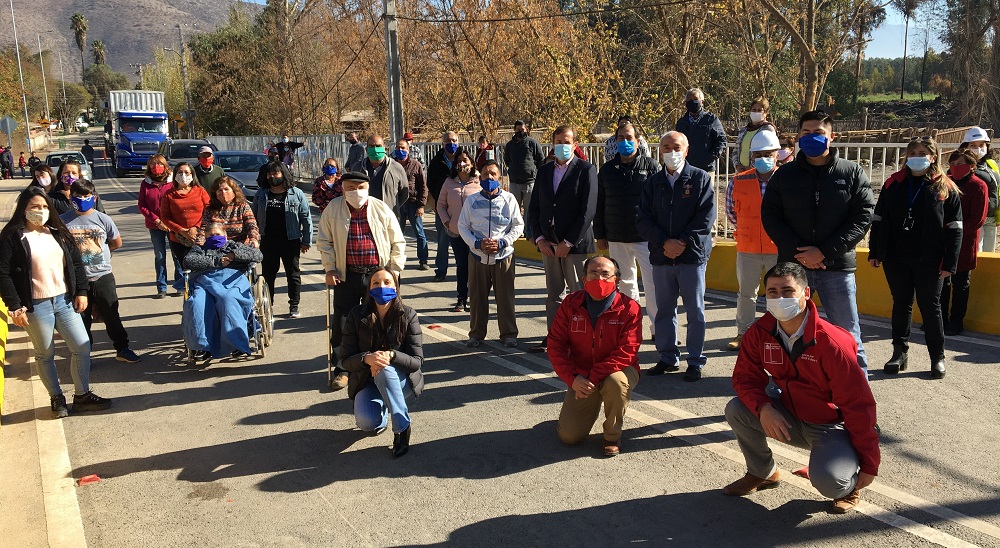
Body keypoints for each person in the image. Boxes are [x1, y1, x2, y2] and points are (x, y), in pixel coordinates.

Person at [723, 262, 878, 514]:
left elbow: (857, 404)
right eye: (772, 292)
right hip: (790, 417)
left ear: (806, 293)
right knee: (737, 409)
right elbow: (745, 378)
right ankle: (763, 473)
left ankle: (849, 482)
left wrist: (870, 464)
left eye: (787, 291)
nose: (779, 298)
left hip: (829, 426)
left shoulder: (832, 342)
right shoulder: (759, 332)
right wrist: (764, 408)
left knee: (832, 483)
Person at [761, 109, 875, 376]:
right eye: (806, 132)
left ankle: (858, 392)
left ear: (831, 136)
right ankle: (785, 386)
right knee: (787, 331)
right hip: (793, 269)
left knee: (847, 334)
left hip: (836, 268)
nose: (812, 137)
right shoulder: (784, 175)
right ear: (799, 136)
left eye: (819, 133)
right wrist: (799, 252)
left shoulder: (852, 172)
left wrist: (824, 251)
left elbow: (863, 217)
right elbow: (771, 216)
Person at [0, 187, 111, 418]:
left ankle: (82, 395)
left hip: (64, 301)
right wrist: (15, 306)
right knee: (45, 353)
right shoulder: (12, 236)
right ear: (24, 209)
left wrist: (81, 291)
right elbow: (3, 274)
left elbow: (76, 264)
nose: (40, 211)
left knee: (82, 346)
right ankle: (56, 398)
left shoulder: (57, 232)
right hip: (35, 306)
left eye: (44, 207)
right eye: (34, 207)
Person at [869, 137, 962, 379]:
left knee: (931, 307)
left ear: (933, 157)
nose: (917, 157)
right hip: (897, 257)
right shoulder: (893, 183)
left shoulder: (945, 187)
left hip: (930, 259)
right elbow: (878, 218)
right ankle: (899, 353)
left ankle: (937, 357)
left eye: (922, 153)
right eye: (913, 153)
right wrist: (875, 251)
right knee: (901, 303)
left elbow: (955, 229)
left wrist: (950, 263)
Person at [637, 131, 716, 381]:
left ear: (686, 150)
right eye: (666, 147)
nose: (672, 152)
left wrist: (682, 242)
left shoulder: (701, 178)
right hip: (662, 257)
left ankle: (695, 360)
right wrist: (664, 242)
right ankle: (668, 357)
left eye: (677, 147)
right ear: (660, 151)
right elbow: (643, 219)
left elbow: (706, 217)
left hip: (691, 256)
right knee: (664, 309)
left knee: (695, 311)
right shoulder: (652, 183)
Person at [318, 171, 406, 391]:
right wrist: (330, 268)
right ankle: (342, 369)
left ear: (367, 188)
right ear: (342, 189)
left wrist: (394, 271)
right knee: (342, 323)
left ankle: (384, 363)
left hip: (377, 275)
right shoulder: (333, 209)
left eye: (360, 188)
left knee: (383, 319)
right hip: (346, 274)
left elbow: (397, 241)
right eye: (350, 188)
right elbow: (325, 242)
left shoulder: (380, 208)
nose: (356, 192)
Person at [548, 255, 642, 457]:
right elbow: (555, 344)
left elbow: (628, 350)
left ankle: (612, 436)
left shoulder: (629, 308)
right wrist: (572, 379)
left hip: (618, 370)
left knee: (615, 383)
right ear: (584, 279)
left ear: (616, 279)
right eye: (593, 273)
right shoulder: (570, 304)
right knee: (569, 437)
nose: (599, 278)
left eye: (606, 274)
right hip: (581, 375)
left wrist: (593, 377)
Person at [528, 125, 598, 352]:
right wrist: (539, 238)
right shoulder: (544, 171)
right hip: (548, 244)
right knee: (554, 294)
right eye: (558, 142)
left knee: (578, 294)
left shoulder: (586, 170)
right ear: (552, 144)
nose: (562, 146)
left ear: (575, 145)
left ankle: (581, 339)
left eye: (567, 142)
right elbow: (534, 208)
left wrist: (568, 242)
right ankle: (555, 337)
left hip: (574, 246)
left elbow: (588, 210)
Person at [340, 268, 423, 457]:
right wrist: (367, 359)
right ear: (369, 288)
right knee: (367, 423)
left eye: (387, 282)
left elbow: (416, 361)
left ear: (395, 287)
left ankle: (402, 428)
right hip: (367, 382)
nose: (381, 286)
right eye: (376, 283)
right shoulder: (356, 315)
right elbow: (345, 360)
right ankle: (384, 408)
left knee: (385, 369)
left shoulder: (408, 314)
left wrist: (391, 356)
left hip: (401, 381)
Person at [60, 179, 141, 363]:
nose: (82, 199)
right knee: (82, 318)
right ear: (71, 197)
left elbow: (116, 242)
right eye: (78, 196)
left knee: (111, 315)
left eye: (86, 196)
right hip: (76, 279)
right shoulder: (63, 220)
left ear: (94, 198)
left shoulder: (103, 219)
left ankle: (122, 348)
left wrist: (103, 255)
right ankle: (84, 354)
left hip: (102, 276)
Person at [595, 122, 660, 340]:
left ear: (638, 141)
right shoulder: (607, 170)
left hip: (645, 238)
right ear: (615, 142)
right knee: (625, 286)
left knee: (653, 285)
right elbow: (600, 203)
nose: (625, 142)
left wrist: (658, 233)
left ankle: (658, 330)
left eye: (629, 137)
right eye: (621, 138)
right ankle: (631, 330)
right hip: (616, 237)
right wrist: (600, 234)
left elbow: (659, 202)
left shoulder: (651, 167)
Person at [724, 129, 782, 351]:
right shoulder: (739, 180)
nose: (763, 158)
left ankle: (777, 335)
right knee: (746, 294)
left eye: (768, 154)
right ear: (752, 156)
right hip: (748, 248)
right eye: (758, 155)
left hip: (778, 247)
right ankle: (744, 334)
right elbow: (731, 211)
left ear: (776, 155)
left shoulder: (786, 179)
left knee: (779, 295)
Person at [458, 160, 524, 347]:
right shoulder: (471, 201)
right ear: (480, 177)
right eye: (485, 174)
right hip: (478, 256)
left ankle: (509, 334)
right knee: (477, 297)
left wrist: (503, 242)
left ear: (500, 178)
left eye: (493, 174)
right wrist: (476, 243)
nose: (489, 177)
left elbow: (518, 225)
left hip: (503, 256)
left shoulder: (509, 199)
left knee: (505, 297)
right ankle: (476, 334)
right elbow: (463, 226)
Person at [182, 223, 264, 358]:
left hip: (232, 280)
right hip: (206, 282)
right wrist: (216, 262)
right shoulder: (200, 249)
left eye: (218, 234)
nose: (214, 237)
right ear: (205, 237)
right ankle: (201, 346)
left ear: (225, 235)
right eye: (210, 235)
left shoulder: (234, 246)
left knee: (228, 299)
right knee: (197, 303)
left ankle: (236, 343)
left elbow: (257, 255)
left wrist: (233, 255)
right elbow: (188, 261)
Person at [251, 161, 312, 318]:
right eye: (269, 174)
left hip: (290, 240)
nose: (272, 177)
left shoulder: (296, 193)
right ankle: (268, 306)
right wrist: (253, 238)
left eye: (275, 173)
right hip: (268, 241)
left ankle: (294, 305)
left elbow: (306, 218)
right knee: (268, 275)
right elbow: (252, 218)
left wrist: (306, 240)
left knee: (293, 274)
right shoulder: (261, 194)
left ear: (283, 174)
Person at [940, 149, 989, 336]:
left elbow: (978, 219)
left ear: (972, 165)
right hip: (944, 240)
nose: (955, 167)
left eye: (960, 164)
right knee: (942, 282)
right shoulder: (945, 182)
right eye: (953, 164)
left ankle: (956, 321)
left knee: (961, 283)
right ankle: (940, 318)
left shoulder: (978, 186)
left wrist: (956, 232)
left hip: (965, 241)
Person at [437, 149, 482, 312]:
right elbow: (441, 205)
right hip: (456, 232)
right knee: (462, 264)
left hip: (476, 233)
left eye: (465, 160)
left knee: (476, 266)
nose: (462, 164)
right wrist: (447, 222)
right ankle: (461, 298)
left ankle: (477, 299)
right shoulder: (449, 182)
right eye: (459, 161)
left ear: (472, 163)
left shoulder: (479, 181)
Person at [160, 162, 211, 293]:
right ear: (175, 175)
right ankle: (190, 297)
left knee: (202, 270)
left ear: (192, 175)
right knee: (188, 271)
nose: (183, 176)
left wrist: (196, 228)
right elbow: (165, 217)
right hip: (179, 240)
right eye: (180, 172)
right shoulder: (168, 194)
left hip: (201, 238)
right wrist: (181, 231)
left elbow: (209, 211)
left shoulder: (200, 191)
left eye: (187, 172)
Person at [138, 155, 182, 299]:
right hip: (155, 225)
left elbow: (178, 202)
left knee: (177, 255)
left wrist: (170, 222)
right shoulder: (146, 183)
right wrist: (157, 220)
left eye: (159, 164)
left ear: (165, 165)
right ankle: (161, 287)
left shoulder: (173, 182)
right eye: (152, 164)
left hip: (172, 225)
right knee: (160, 256)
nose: (156, 167)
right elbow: (142, 205)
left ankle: (180, 285)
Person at [427, 131, 461, 282]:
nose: (451, 144)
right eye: (448, 141)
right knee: (442, 240)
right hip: (443, 208)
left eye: (454, 140)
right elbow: (431, 184)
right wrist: (436, 204)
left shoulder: (464, 159)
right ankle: (441, 271)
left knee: (464, 241)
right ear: (442, 144)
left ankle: (465, 271)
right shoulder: (436, 162)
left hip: (461, 207)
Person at [959, 127, 999, 252]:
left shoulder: (991, 164)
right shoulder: (960, 166)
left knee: (989, 256)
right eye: (973, 145)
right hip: (974, 220)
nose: (978, 149)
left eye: (982, 145)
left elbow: (997, 190)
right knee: (976, 254)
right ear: (965, 147)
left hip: (991, 218)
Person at [504, 120, 545, 239]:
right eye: (518, 130)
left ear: (526, 129)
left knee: (529, 209)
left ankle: (529, 232)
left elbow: (540, 159)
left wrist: (535, 173)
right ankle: (515, 232)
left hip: (530, 182)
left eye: (522, 130)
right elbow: (507, 160)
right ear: (514, 130)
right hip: (514, 182)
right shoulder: (510, 145)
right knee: (514, 208)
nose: (520, 132)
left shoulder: (532, 143)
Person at [348, 134, 409, 214]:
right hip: (364, 216)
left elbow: (404, 193)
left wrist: (392, 206)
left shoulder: (396, 168)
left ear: (385, 149)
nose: (375, 149)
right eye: (371, 146)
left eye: (378, 146)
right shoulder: (357, 168)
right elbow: (351, 191)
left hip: (388, 216)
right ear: (366, 149)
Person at [393, 138, 430, 270]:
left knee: (419, 233)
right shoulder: (391, 164)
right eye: (398, 147)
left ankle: (423, 260)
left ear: (408, 150)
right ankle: (396, 260)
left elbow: (423, 186)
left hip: (413, 203)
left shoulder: (416, 165)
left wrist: (421, 205)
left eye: (403, 148)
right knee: (396, 234)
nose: (400, 150)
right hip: (397, 204)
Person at [675, 88, 727, 173]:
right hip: (685, 168)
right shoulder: (681, 122)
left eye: (695, 99)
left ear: (702, 102)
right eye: (689, 100)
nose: (692, 102)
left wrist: (710, 157)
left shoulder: (711, 119)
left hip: (706, 169)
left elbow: (721, 140)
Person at [199, 176, 260, 247]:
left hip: (240, 246)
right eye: (219, 190)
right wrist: (200, 240)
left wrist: (253, 239)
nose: (223, 193)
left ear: (234, 191)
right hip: (216, 246)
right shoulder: (210, 210)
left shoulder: (242, 206)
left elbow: (252, 226)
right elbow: (204, 229)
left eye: (226, 189)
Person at [731, 97, 777, 172]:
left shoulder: (768, 129)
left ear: (765, 113)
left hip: (759, 171)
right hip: (741, 172)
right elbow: (736, 150)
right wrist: (737, 165)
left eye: (759, 110)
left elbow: (770, 153)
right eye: (754, 110)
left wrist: (752, 168)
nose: (756, 112)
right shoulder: (744, 130)